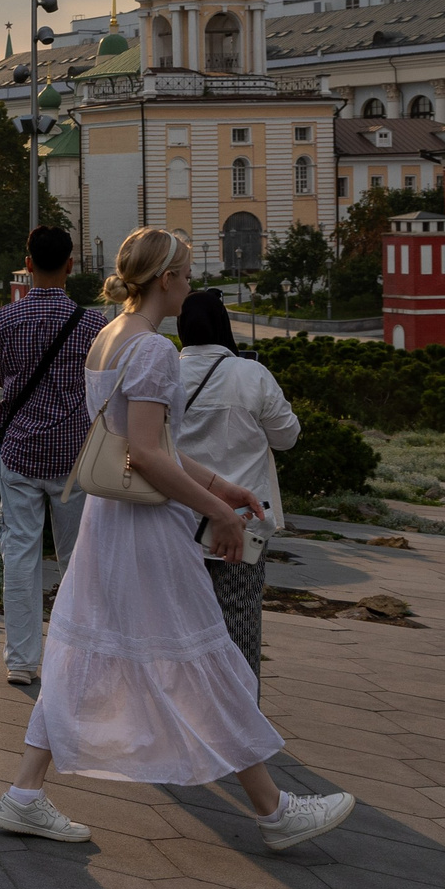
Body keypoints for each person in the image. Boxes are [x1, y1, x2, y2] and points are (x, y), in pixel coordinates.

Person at [0, 229, 355, 853]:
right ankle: (274, 811)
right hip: (146, 528)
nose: (191, 284)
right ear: (166, 279)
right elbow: (148, 454)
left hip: (110, 519)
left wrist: (222, 487)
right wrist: (219, 510)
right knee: (202, 652)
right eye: (186, 274)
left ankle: (24, 793)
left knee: (86, 651)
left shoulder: (108, 334)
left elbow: (147, 446)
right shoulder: (154, 349)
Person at [0, 225, 105, 686]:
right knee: (75, 559)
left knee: (19, 555)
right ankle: (75, 657)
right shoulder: (94, 326)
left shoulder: (0, 321)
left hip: (19, 452)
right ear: (71, 264)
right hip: (74, 457)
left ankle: (21, 661)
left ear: (28, 263)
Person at [173, 287, 299, 682]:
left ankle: (185, 709)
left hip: (175, 522)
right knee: (240, 623)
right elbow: (288, 437)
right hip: (243, 522)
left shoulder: (166, 374)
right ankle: (241, 710)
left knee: (180, 627)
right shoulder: (251, 375)